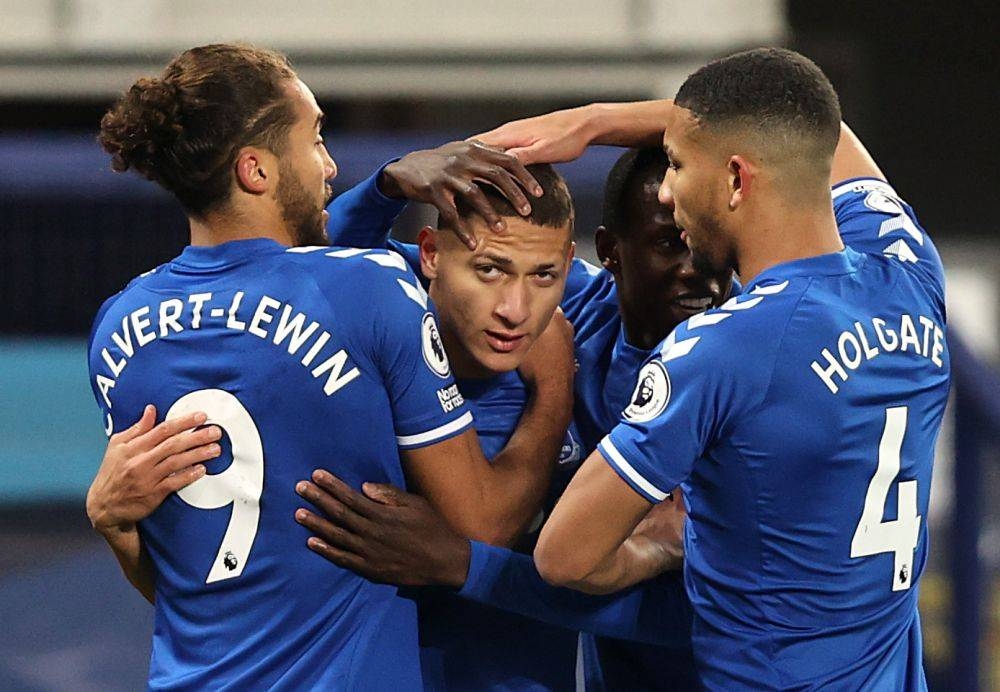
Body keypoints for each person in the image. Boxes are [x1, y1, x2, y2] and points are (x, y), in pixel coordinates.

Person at [301, 48, 949, 690]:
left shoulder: (721, 354)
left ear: (734, 179)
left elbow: (564, 559)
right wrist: (590, 124)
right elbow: (814, 130)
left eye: (677, 163)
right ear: (611, 256)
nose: (670, 189)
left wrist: (473, 557)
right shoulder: (908, 273)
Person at [86, 42, 574, 690]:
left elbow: (187, 587)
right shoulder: (369, 289)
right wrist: (554, 391)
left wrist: (112, 521)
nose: (329, 165)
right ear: (256, 170)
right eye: (313, 138)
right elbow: (480, 523)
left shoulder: (117, 323)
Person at [302, 146, 728, 690]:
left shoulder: (686, 373)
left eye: (544, 276)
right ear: (431, 255)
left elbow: (700, 614)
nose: (515, 308)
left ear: (567, 270)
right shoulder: (390, 309)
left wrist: (461, 563)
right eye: (488, 270)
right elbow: (306, 261)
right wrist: (385, 187)